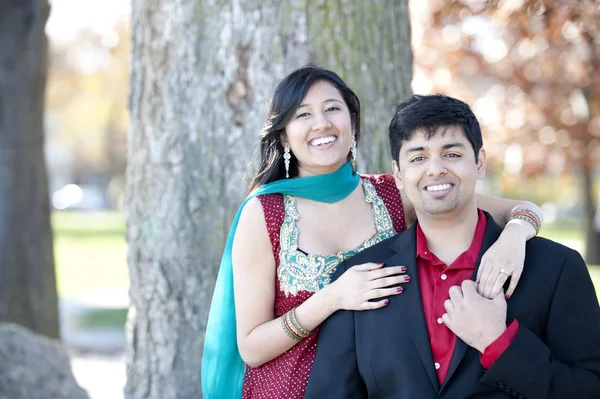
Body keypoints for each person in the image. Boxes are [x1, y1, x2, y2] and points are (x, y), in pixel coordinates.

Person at [202, 66, 544, 399]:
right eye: (303, 115)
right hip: (289, 390)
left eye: (332, 108)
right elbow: (251, 347)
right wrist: (333, 297)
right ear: (283, 135)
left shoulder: (393, 194)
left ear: (352, 122)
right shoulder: (264, 212)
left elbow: (524, 208)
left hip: (376, 386)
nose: (321, 123)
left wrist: (514, 236)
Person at [305, 94, 600, 399]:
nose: (435, 169)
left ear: (480, 163)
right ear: (398, 174)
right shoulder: (357, 279)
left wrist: (497, 342)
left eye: (451, 154)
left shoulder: (556, 268)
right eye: (418, 157)